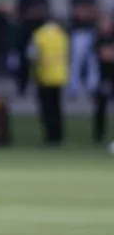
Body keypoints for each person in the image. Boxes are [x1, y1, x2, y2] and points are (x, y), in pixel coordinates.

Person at [29, 16, 69, 145]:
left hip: (44, 76)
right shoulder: (62, 35)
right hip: (59, 76)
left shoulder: (39, 35)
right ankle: (58, 135)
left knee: (46, 109)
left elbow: (32, 55)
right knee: (57, 107)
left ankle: (50, 136)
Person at [93, 14, 114, 147]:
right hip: (104, 78)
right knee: (101, 106)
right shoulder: (99, 39)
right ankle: (99, 135)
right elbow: (105, 56)